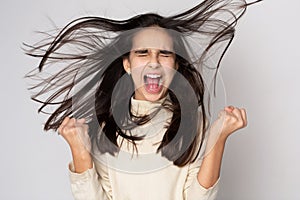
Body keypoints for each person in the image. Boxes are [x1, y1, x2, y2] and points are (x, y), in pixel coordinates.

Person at [25, 0, 260, 199]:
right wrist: (79, 150)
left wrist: (217, 139)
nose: (154, 62)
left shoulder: (195, 124)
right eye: (143, 52)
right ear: (127, 64)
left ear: (176, 65)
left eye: (165, 53)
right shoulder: (104, 129)